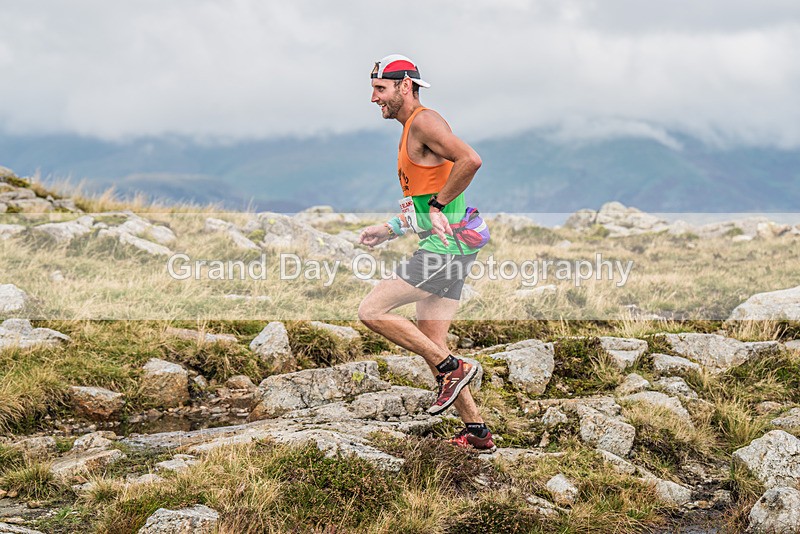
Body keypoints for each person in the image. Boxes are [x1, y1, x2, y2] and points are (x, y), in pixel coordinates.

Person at [358, 54, 495, 452]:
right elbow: (424, 200)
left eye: (380, 89)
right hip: (452, 245)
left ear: (405, 86)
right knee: (432, 343)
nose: (373, 98)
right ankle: (477, 433)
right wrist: (391, 228)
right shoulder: (410, 129)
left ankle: (456, 369)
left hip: (445, 248)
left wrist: (436, 207)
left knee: (372, 311)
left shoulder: (424, 121)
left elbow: (471, 160)